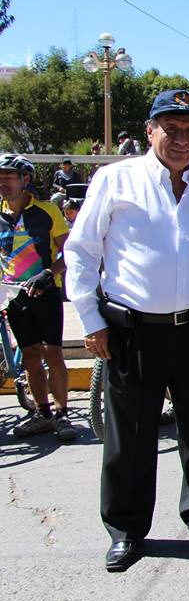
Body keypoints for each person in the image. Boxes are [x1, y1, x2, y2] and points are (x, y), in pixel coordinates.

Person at [64, 89, 189, 572]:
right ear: (150, 131)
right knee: (131, 437)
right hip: (133, 332)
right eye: (171, 130)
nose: (182, 140)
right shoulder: (115, 179)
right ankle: (126, 529)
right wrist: (91, 319)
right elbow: (81, 251)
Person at [0, 154, 76, 441]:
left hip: (45, 291)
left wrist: (48, 273)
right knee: (30, 355)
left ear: (25, 180)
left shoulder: (47, 211)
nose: (3, 183)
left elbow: (69, 252)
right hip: (13, 295)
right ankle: (43, 414)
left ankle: (62, 414)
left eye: (9, 177)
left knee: (52, 353)